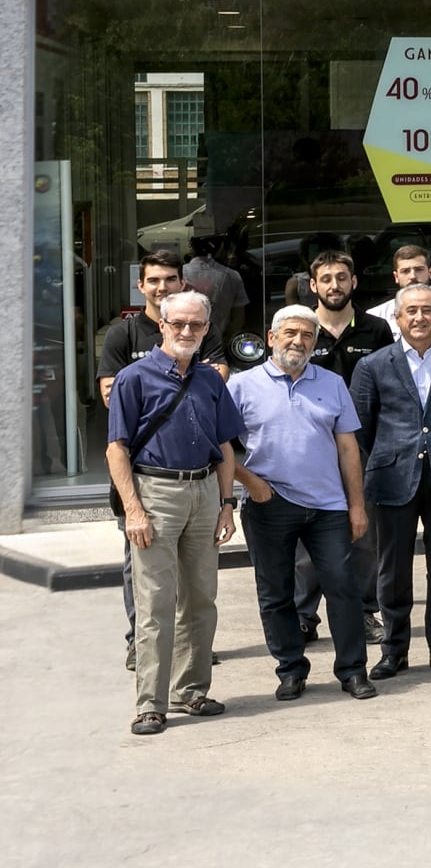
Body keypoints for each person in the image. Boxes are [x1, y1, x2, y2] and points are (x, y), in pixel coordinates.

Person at [107, 289, 245, 734]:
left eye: (196, 324)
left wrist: (226, 505)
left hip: (204, 491)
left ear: (206, 329)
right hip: (155, 493)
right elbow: (116, 449)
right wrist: (133, 510)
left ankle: (191, 690)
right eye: (179, 323)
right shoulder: (133, 378)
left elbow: (225, 447)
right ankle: (151, 703)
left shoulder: (210, 380)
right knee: (155, 603)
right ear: (162, 326)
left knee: (201, 599)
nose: (187, 331)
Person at [233, 304, 379, 701]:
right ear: (272, 338)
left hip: (328, 506)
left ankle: (352, 670)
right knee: (276, 592)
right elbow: (220, 447)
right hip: (269, 503)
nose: (299, 341)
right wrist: (250, 483)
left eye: (307, 335)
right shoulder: (241, 386)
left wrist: (356, 505)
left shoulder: (332, 383)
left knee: (343, 586)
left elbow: (348, 449)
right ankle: (291, 670)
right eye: (291, 333)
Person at [351, 283, 431, 678]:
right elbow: (362, 429)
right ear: (397, 317)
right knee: (392, 569)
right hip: (392, 477)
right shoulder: (373, 365)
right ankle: (394, 650)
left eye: (427, 310)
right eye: (411, 311)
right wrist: (385, 460)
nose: (419, 317)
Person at [292, 248, 391, 648]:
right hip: (311, 449)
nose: (335, 285)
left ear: (354, 282)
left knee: (363, 534)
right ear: (313, 285)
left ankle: (364, 611)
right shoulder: (301, 330)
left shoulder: (376, 330)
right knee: (305, 538)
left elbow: (389, 387)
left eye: (342, 278)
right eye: (326, 279)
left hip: (363, 446)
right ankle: (303, 614)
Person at [98, 248, 187, 669]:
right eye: (154, 280)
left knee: (188, 565)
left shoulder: (197, 326)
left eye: (170, 279)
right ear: (141, 285)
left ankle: (184, 642)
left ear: (182, 282)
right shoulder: (123, 335)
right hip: (138, 469)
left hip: (190, 472)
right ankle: (140, 640)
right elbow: (109, 395)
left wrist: (143, 390)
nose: (162, 287)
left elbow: (216, 382)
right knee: (139, 561)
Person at [181, 234, 250, 360]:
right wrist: (226, 340)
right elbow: (239, 318)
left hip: (182, 343)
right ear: (221, 247)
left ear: (191, 248)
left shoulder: (178, 274)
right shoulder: (232, 276)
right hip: (219, 345)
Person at [367, 243, 431, 328]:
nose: (413, 276)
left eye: (419, 269)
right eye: (405, 271)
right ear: (396, 277)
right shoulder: (375, 316)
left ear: (430, 273)